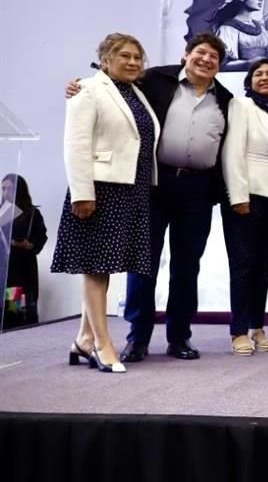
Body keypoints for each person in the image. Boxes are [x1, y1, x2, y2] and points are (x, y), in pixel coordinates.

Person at [65, 33, 233, 363]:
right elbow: (110, 84)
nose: (206, 59)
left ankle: (179, 337)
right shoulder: (155, 79)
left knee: (188, 267)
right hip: (153, 185)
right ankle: (137, 338)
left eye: (214, 56)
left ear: (220, 65)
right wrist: (78, 85)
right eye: (200, 52)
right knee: (142, 265)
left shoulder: (225, 98)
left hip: (197, 191)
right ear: (186, 55)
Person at [51, 33, 160, 373]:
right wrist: (83, 193)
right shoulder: (88, 89)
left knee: (106, 267)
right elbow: (76, 145)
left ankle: (83, 339)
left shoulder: (135, 92)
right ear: (105, 59)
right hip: (101, 190)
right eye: (124, 56)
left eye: (137, 57)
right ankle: (102, 344)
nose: (132, 62)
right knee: (96, 268)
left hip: (133, 189)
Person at [222, 59, 268, 355]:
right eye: (259, 74)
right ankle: (238, 331)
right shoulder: (241, 106)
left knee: (263, 268)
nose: (265, 78)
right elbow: (232, 152)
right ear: (249, 80)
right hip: (246, 196)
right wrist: (238, 196)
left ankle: (257, 325)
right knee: (242, 266)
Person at [1, 174, 47, 328]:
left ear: (19, 190)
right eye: (3, 188)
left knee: (16, 308)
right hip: (3, 267)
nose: (6, 192)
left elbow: (41, 236)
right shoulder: (1, 212)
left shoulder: (31, 213)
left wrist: (30, 245)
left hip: (20, 269)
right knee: (4, 307)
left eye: (10, 189)